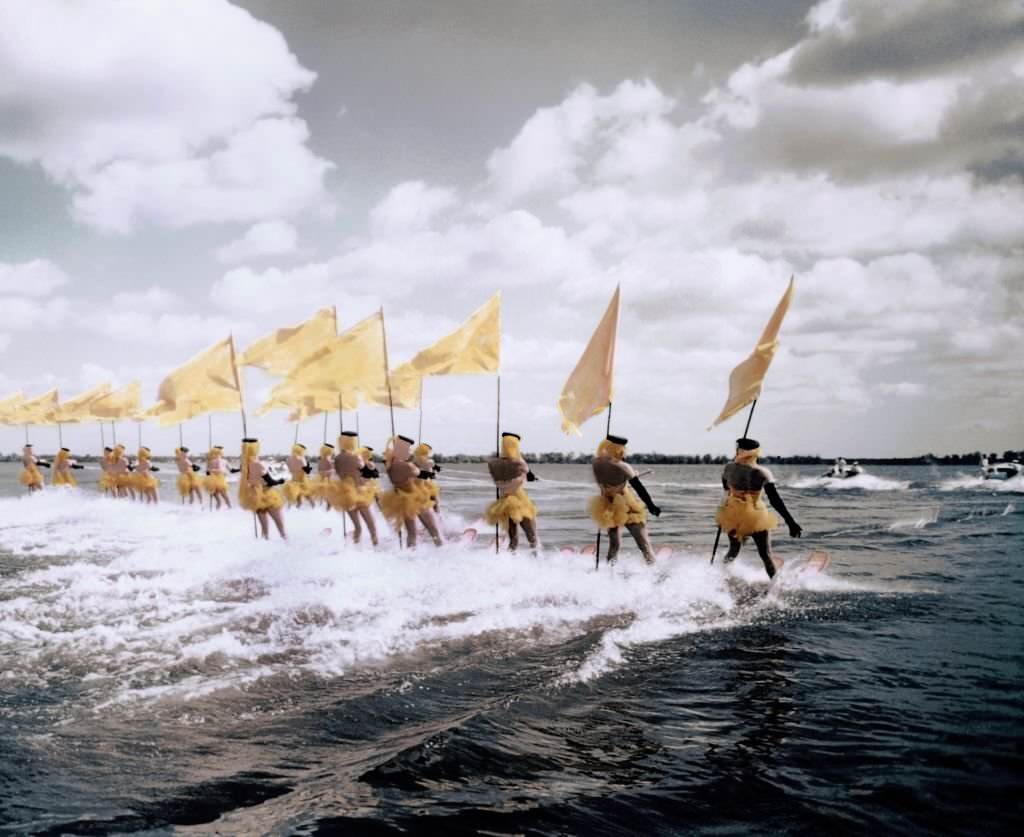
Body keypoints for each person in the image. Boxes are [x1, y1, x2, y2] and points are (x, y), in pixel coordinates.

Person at [716, 437, 802, 579]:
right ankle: (775, 588)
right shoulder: (762, 473)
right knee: (766, 555)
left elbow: (726, 491)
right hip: (755, 515)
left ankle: (718, 577)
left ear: (739, 450)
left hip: (733, 514)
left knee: (733, 550)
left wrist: (722, 512)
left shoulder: (728, 468)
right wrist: (790, 522)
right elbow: (775, 500)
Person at [589, 434, 660, 564]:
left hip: (607, 506)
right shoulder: (624, 466)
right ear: (619, 449)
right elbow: (640, 489)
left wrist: (623, 481)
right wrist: (651, 506)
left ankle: (610, 574)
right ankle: (655, 573)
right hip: (627, 506)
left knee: (614, 545)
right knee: (644, 545)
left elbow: (608, 483)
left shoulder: (595, 463)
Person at [381, 434, 443, 548]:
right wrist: (429, 468)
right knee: (435, 531)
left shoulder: (390, 464)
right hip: (418, 499)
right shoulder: (406, 466)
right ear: (401, 449)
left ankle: (410, 557)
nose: (409, 452)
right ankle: (443, 551)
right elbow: (425, 475)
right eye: (407, 449)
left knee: (412, 533)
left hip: (403, 500)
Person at [485, 432, 538, 552]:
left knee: (513, 539)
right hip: (520, 502)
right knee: (532, 536)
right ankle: (537, 561)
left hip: (504, 503)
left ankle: (509, 561)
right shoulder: (520, 463)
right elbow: (529, 476)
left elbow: (499, 482)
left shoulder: (493, 464)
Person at [333, 431, 379, 546]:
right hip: (360, 493)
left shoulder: (337, 458)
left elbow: (339, 474)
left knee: (358, 527)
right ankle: (376, 548)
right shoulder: (356, 457)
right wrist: (371, 465)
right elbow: (368, 475)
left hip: (346, 495)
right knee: (371, 526)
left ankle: (352, 551)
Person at [239, 438, 286, 539]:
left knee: (264, 528)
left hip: (255, 496)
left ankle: (264, 546)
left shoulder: (243, 465)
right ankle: (287, 543)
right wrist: (281, 480)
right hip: (267, 494)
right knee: (279, 524)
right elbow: (271, 482)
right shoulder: (258, 464)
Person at [412, 442, 442, 513]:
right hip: (429, 485)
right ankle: (438, 517)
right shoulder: (430, 461)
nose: (429, 453)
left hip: (418, 485)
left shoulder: (414, 461)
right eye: (428, 451)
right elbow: (437, 469)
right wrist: (436, 469)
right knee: (436, 503)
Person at [283, 443, 314, 508]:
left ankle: (294, 512)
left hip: (294, 481)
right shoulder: (302, 459)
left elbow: (290, 470)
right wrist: (308, 465)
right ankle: (313, 509)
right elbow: (307, 471)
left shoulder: (288, 459)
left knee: (298, 501)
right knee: (308, 496)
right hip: (303, 480)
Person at [313, 442, 336, 508]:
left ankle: (327, 506)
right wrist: (333, 469)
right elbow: (329, 470)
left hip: (322, 479)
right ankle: (328, 506)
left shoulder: (321, 460)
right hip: (327, 479)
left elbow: (319, 470)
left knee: (325, 494)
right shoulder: (328, 460)